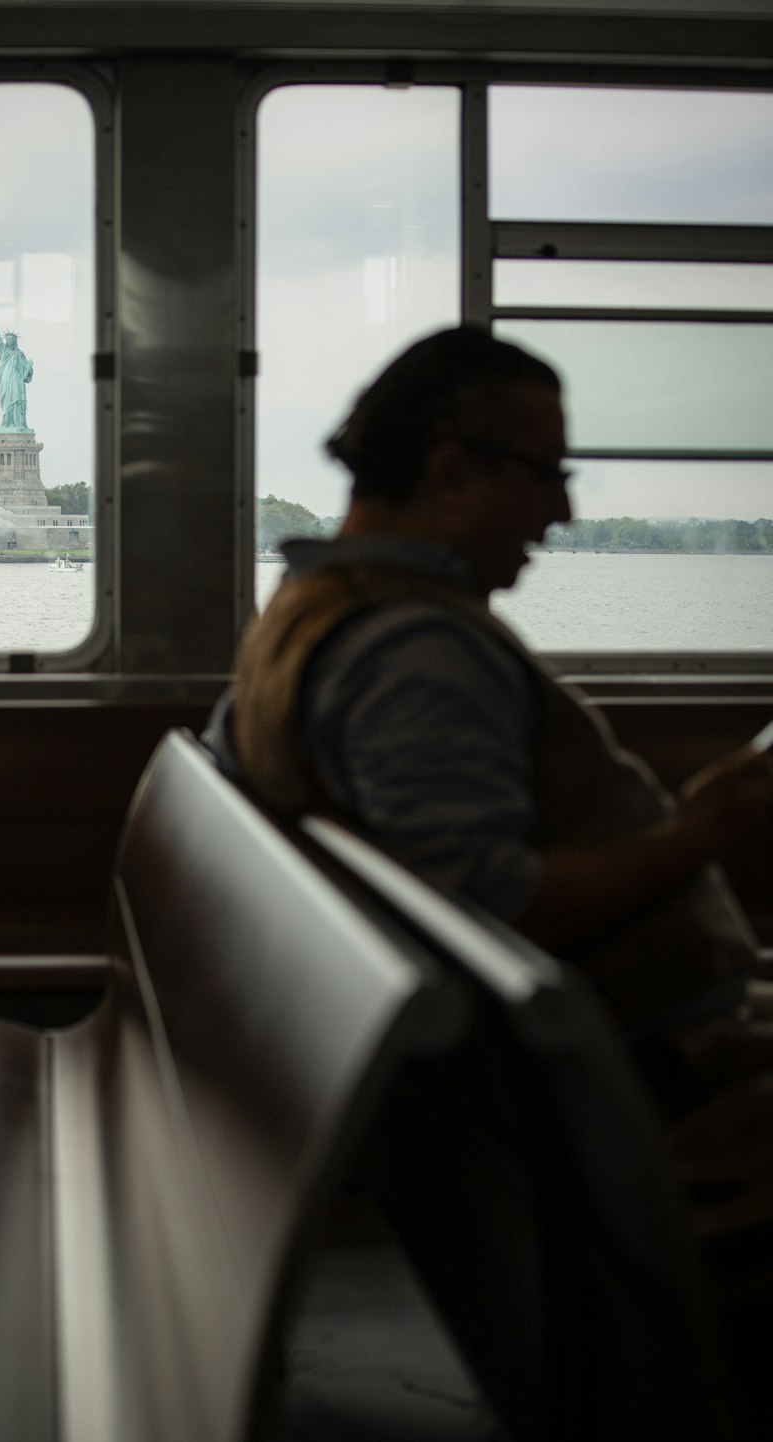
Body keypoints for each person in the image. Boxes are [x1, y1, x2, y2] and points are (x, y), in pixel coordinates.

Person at [207, 325, 773, 1411]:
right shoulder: (413, 648)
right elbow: (491, 906)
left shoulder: (302, 619)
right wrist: (702, 829)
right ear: (453, 469)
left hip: (556, 1076)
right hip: (646, 1092)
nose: (558, 513)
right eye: (546, 476)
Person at [0, 305, 34, 431]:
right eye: (7, 339)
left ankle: (18, 424)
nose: (8, 341)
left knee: (16, 401)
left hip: (16, 381)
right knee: (6, 400)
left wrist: (29, 368)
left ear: (15, 342)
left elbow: (26, 373)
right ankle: (6, 423)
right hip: (5, 379)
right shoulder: (2, 350)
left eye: (11, 340)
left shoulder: (20, 354)